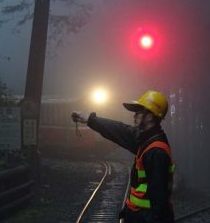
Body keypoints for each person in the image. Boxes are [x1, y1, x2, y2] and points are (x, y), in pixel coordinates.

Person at [71, 90, 175, 223]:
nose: (134, 115)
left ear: (149, 117)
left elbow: (159, 203)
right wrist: (90, 120)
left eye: (138, 112)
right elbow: (120, 130)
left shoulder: (156, 151)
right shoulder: (145, 140)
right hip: (139, 216)